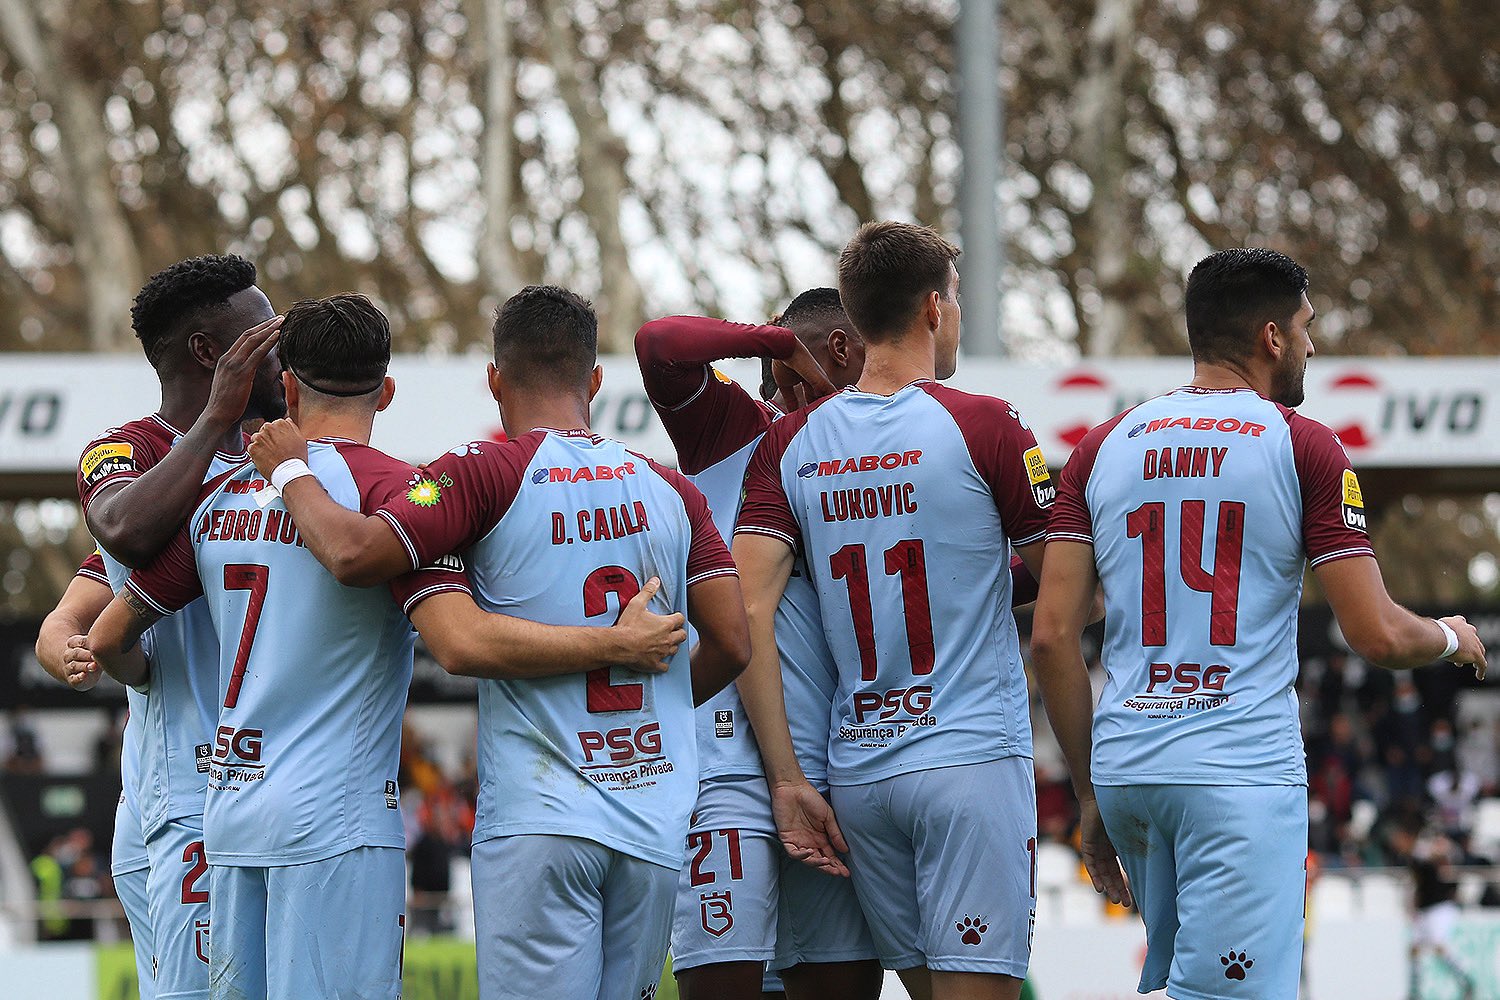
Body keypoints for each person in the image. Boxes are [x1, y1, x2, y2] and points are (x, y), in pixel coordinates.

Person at [86, 292, 687, 1000]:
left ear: (287, 388)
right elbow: (458, 638)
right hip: (337, 826)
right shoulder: (402, 492)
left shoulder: (220, 498)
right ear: (388, 390)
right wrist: (612, 642)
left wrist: (152, 680)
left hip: (231, 815)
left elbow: (108, 639)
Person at [241, 284, 750, 1000]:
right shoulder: (671, 488)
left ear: (494, 379)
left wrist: (290, 467)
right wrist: (650, 691)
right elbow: (732, 643)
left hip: (541, 821)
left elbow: (363, 558)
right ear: (595, 380)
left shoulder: (476, 473)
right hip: (652, 819)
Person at [1030, 247, 1487, 1000]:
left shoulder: (1100, 446)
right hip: (1234, 773)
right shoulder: (1304, 445)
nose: (1313, 344)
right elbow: (1374, 635)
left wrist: (1088, 795)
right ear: (1272, 337)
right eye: (1307, 327)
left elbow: (1051, 637)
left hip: (1128, 768)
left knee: (1180, 984)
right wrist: (1448, 636)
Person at [735, 222, 1119, 1000]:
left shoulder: (792, 446)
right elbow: (1071, 596)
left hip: (859, 775)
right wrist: (1088, 789)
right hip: (967, 764)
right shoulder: (986, 422)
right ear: (935, 311)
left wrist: (786, 778)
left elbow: (744, 610)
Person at [37, 253, 285, 1000]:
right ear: (211, 354)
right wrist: (218, 416)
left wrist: (67, 624)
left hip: (265, 788)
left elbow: (95, 590)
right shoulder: (127, 449)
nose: (282, 354)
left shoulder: (282, 461)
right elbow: (125, 534)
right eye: (264, 339)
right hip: (189, 794)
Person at [636, 292, 882, 1000]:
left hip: (836, 772)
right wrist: (774, 342)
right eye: (875, 348)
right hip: (728, 778)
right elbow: (660, 343)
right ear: (838, 349)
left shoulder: (891, 448)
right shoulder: (738, 426)